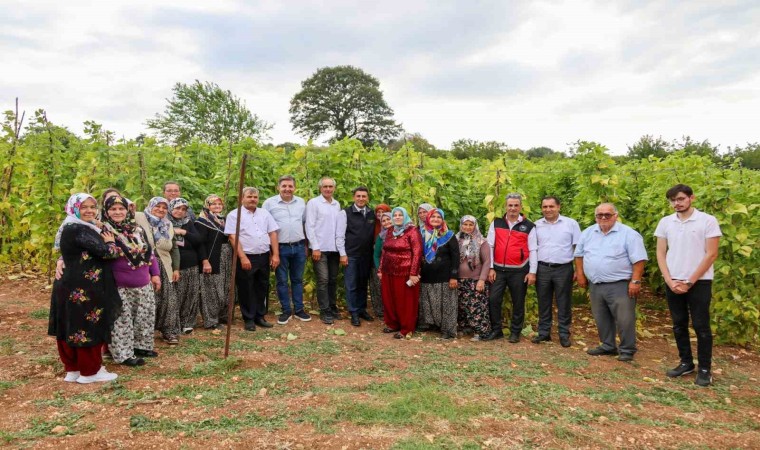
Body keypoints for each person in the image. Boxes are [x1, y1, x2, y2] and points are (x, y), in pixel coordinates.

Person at [48, 193, 121, 384]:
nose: (89, 211)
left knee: (70, 324)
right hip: (84, 288)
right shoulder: (79, 229)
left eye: (92, 207)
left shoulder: (71, 226)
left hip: (70, 285)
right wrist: (110, 242)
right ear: (74, 208)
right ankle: (90, 372)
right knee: (88, 326)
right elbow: (108, 253)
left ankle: (73, 369)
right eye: (84, 207)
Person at [655, 184, 722, 386]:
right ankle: (686, 362)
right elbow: (660, 253)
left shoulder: (707, 221)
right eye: (673, 200)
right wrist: (669, 280)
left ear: (691, 198)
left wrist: (689, 281)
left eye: (681, 199)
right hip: (673, 281)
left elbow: (711, 254)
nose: (677, 203)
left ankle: (704, 369)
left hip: (699, 282)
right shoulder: (666, 222)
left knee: (701, 326)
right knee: (679, 324)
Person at [575, 203, 648, 362]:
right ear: (595, 217)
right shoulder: (588, 233)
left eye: (607, 215)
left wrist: (635, 281)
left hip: (619, 284)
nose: (603, 217)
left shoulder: (629, 234)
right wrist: (580, 274)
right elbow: (579, 255)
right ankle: (608, 345)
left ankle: (627, 349)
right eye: (599, 215)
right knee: (601, 317)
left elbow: (639, 260)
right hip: (595, 284)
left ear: (615, 216)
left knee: (624, 318)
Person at [102, 195, 161, 366]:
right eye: (113, 209)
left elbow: (149, 252)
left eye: (121, 208)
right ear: (106, 211)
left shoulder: (137, 229)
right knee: (122, 320)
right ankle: (123, 354)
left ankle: (141, 346)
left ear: (127, 210)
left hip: (143, 282)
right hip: (120, 285)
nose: (118, 212)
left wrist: (155, 274)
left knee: (145, 316)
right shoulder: (104, 231)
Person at [482, 193, 537, 342]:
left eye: (516, 205)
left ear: (520, 207)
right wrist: (491, 268)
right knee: (493, 299)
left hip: (519, 270)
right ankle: (497, 330)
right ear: (505, 206)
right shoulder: (497, 223)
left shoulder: (529, 226)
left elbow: (533, 250)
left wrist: (532, 272)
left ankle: (515, 332)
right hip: (498, 270)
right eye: (510, 205)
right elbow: (490, 245)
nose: (513, 208)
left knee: (518, 302)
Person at [225, 187, 280, 331]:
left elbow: (273, 233)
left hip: (263, 255)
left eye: (255, 197)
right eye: (249, 197)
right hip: (246, 256)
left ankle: (260, 316)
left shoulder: (264, 213)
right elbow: (232, 237)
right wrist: (242, 257)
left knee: (262, 286)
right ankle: (249, 318)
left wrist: (275, 254)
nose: (252, 199)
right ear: (242, 198)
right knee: (246, 287)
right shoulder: (234, 215)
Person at [533, 196, 582, 347]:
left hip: (563, 269)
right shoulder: (536, 225)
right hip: (542, 268)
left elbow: (578, 248)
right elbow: (533, 248)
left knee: (564, 302)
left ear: (559, 207)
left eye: (551, 206)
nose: (548, 209)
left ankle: (564, 334)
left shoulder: (571, 224)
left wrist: (578, 270)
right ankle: (544, 333)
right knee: (543, 301)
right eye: (545, 207)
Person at [262, 175, 311, 325]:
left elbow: (305, 224)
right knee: (282, 281)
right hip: (280, 248)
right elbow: (265, 227)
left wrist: (306, 245)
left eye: (290, 186)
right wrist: (272, 253)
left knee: (297, 280)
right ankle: (286, 310)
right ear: (278, 187)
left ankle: (299, 309)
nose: (287, 189)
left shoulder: (301, 202)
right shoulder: (269, 203)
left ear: (294, 188)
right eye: (284, 186)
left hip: (299, 246)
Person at [135, 197, 181, 345]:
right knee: (147, 300)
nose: (161, 210)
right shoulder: (139, 217)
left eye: (164, 207)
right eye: (158, 206)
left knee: (169, 300)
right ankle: (143, 334)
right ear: (150, 206)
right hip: (143, 265)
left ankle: (169, 331)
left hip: (165, 266)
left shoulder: (168, 224)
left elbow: (174, 248)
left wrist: (176, 268)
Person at [378, 207, 423, 339]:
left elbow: (417, 252)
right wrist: (380, 269)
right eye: (395, 215)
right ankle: (393, 324)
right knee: (389, 299)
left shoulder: (412, 231)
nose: (397, 217)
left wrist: (413, 273)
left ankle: (406, 328)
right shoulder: (390, 230)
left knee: (405, 301)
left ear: (405, 216)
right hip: (388, 271)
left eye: (400, 215)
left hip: (405, 272)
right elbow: (384, 251)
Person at [337, 186, 377, 327]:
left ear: (367, 198)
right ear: (354, 197)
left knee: (362, 283)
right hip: (351, 255)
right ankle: (353, 312)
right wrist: (343, 254)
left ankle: (361, 309)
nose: (361, 199)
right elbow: (340, 235)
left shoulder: (372, 214)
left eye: (363, 196)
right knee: (352, 284)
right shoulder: (345, 213)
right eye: (358, 196)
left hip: (366, 255)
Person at [418, 209, 460, 339]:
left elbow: (455, 257)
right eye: (433, 217)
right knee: (429, 302)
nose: (436, 219)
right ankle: (430, 324)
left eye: (439, 217)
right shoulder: (422, 234)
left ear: (442, 220)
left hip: (444, 277)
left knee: (447, 304)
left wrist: (453, 276)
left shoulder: (449, 235)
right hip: (427, 275)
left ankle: (448, 330)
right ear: (428, 218)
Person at [305, 177, 342, 324]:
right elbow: (309, 226)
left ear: (334, 188)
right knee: (323, 279)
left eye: (330, 186)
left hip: (334, 248)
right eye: (325, 186)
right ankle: (324, 310)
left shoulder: (336, 204)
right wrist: (315, 246)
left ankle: (332, 307)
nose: (328, 189)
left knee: (332, 279)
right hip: (319, 249)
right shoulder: (314, 203)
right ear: (320, 188)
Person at [195, 194, 233, 330]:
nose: (217, 206)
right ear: (207, 205)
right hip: (211, 259)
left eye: (219, 204)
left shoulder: (223, 220)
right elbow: (200, 244)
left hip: (225, 257)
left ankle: (223, 315)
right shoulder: (202, 221)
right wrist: (205, 261)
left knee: (225, 287)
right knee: (211, 290)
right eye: (213, 204)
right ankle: (211, 320)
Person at [169, 198, 203, 334]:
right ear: (171, 208)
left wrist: (184, 232)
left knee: (191, 294)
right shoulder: (164, 223)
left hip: (191, 263)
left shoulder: (187, 222)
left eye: (183, 209)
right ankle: (173, 324)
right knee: (175, 296)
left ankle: (187, 323)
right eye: (177, 208)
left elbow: (198, 240)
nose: (180, 211)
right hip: (174, 265)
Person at [456, 215, 492, 341]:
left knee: (476, 306)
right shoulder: (456, 239)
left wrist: (482, 280)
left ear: (475, 226)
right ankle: (465, 328)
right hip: (459, 279)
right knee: (461, 306)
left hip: (475, 280)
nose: (467, 227)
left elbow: (487, 262)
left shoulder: (482, 241)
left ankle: (481, 332)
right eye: (465, 224)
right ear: (461, 225)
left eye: (471, 224)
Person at [369, 206, 392, 318]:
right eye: (378, 212)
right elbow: (376, 254)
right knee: (379, 286)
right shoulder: (378, 232)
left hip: (398, 266)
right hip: (381, 265)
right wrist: (379, 268)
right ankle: (382, 311)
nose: (381, 214)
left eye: (384, 212)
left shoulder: (401, 232)